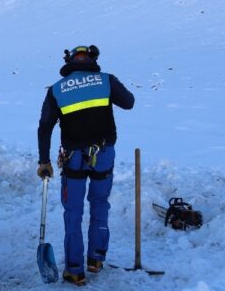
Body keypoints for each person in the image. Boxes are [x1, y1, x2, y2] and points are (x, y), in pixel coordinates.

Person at [37, 45, 134, 286]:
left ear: (69, 62)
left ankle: (75, 270)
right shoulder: (106, 80)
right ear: (92, 59)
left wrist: (44, 160)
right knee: (100, 204)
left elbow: (45, 126)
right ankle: (96, 259)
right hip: (103, 154)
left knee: (73, 212)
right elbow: (129, 102)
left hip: (74, 158)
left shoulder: (57, 90)